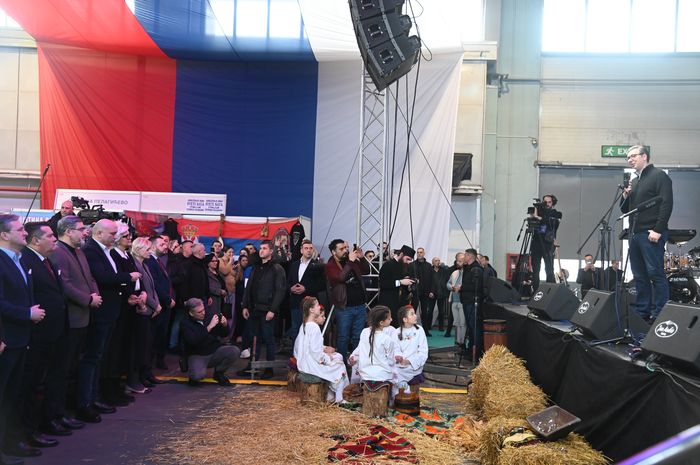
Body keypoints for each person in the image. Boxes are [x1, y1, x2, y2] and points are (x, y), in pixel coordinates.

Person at [79, 220, 140, 423]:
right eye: (112, 233)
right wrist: (127, 277)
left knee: (100, 357)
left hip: (111, 310)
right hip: (101, 312)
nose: (115, 237)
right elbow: (103, 277)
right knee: (93, 357)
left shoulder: (106, 251)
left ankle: (94, 397)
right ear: (99, 233)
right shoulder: (91, 250)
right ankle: (87, 400)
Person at [12, 223, 67, 452]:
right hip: (34, 333)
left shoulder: (46, 260)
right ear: (36, 241)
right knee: (29, 384)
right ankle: (25, 432)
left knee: (42, 381)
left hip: (51, 331)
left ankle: (40, 424)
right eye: (50, 236)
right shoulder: (26, 259)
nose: (55, 239)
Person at [0, 214, 45, 465]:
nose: (25, 233)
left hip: (20, 338)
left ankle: (8, 444)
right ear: (4, 235)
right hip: (6, 339)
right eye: (19, 230)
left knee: (11, 396)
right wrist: (26, 313)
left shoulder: (18, 259)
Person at [48, 215, 98, 434]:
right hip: (70, 319)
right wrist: (87, 299)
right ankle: (55, 414)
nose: (85, 232)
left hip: (83, 317)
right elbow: (65, 284)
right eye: (80, 228)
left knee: (71, 368)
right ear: (68, 231)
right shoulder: (59, 252)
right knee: (61, 370)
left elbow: (90, 278)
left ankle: (64, 412)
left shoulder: (79, 251)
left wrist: (94, 294)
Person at [621, 145, 673, 322]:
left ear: (644, 156)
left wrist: (658, 229)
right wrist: (626, 195)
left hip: (651, 233)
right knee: (639, 276)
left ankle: (660, 314)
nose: (630, 160)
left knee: (655, 273)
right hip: (635, 234)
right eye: (628, 157)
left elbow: (666, 203)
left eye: (633, 156)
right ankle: (643, 313)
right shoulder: (635, 181)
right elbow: (626, 210)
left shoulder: (659, 176)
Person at [239, 240, 286, 379]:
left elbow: (280, 290)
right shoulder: (256, 267)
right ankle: (252, 365)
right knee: (255, 338)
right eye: (260, 248)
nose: (261, 251)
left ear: (271, 251)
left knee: (269, 339)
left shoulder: (277, 268)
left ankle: (269, 368)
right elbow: (249, 287)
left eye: (265, 248)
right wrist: (245, 305)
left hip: (268, 310)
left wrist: (273, 310)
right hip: (254, 309)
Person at [293, 297, 348, 403]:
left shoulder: (304, 325)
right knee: (339, 365)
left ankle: (330, 396)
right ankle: (339, 398)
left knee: (335, 361)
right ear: (311, 310)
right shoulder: (314, 327)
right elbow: (315, 352)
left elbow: (304, 347)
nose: (319, 307)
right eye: (317, 305)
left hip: (304, 364)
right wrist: (327, 359)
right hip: (311, 366)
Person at [325, 239, 370, 362]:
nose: (345, 250)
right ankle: (341, 364)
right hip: (344, 308)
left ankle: (356, 364)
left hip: (360, 306)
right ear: (333, 252)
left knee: (358, 337)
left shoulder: (351, 261)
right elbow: (340, 277)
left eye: (345, 248)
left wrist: (362, 258)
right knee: (343, 337)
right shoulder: (330, 265)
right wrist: (350, 261)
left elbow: (366, 270)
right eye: (341, 249)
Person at [180, 298, 239, 386]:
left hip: (213, 351)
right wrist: (208, 328)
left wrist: (225, 325)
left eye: (203, 309)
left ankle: (219, 373)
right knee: (197, 376)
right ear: (191, 313)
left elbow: (224, 334)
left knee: (234, 351)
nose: (203, 313)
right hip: (197, 354)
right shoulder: (185, 323)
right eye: (199, 312)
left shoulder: (209, 316)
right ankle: (193, 372)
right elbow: (193, 341)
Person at [287, 239, 324, 342]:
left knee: (309, 330)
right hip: (295, 303)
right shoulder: (294, 265)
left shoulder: (318, 265)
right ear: (301, 250)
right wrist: (290, 288)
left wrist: (306, 288)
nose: (308, 250)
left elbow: (322, 285)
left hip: (310, 305)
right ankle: (296, 351)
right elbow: (288, 281)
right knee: (295, 329)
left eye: (311, 248)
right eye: (306, 248)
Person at [351, 306, 395, 385]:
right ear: (381, 323)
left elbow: (360, 349)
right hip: (382, 375)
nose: (391, 319)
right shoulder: (387, 338)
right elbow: (391, 361)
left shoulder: (364, 332)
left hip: (364, 373)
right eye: (389, 318)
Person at [529, 194, 562, 291]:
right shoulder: (538, 212)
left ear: (553, 203)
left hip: (548, 244)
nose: (547, 204)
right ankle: (535, 291)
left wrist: (538, 217)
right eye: (545, 202)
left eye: (549, 202)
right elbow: (531, 220)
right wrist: (536, 210)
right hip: (536, 243)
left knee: (549, 269)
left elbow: (552, 223)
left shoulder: (556, 214)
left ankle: (549, 291)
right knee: (535, 269)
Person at [378, 245, 416, 326]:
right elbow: (383, 283)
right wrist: (401, 282)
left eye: (410, 260)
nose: (408, 262)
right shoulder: (388, 265)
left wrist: (407, 281)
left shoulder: (402, 266)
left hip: (399, 304)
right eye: (407, 259)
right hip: (388, 304)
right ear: (401, 254)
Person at [392, 306, 428, 389]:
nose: (415, 316)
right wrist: (400, 358)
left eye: (415, 313)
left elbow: (423, 350)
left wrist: (410, 361)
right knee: (399, 393)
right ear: (405, 319)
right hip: (400, 368)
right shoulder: (396, 332)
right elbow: (395, 349)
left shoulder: (419, 330)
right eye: (412, 314)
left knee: (413, 393)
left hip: (414, 368)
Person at [460, 249, 484, 359]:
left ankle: (476, 353)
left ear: (470, 256)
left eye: (465, 255)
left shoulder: (476, 269)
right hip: (467, 301)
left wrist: (461, 288)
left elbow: (476, 287)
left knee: (474, 328)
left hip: (472, 302)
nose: (464, 257)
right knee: (470, 328)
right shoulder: (468, 268)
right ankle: (470, 350)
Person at [409, 247, 433, 336]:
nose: (419, 254)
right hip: (415, 292)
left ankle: (425, 331)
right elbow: (408, 276)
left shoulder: (429, 265)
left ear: (424, 253)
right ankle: (410, 329)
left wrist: (431, 291)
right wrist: (414, 280)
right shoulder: (412, 265)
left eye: (421, 252)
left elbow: (432, 279)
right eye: (418, 252)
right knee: (412, 311)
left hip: (425, 292)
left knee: (424, 312)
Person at [446, 252, 466, 347]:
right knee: (457, 323)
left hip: (462, 301)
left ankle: (462, 342)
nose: (458, 263)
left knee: (463, 323)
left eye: (460, 261)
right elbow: (448, 283)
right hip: (454, 300)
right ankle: (458, 342)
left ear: (464, 261)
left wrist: (460, 287)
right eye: (457, 261)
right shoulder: (454, 273)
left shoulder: (467, 273)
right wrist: (452, 287)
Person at [428, 257, 449, 331]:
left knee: (441, 311)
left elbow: (446, 280)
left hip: (441, 293)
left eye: (439, 260)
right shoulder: (429, 270)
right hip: (432, 293)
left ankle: (441, 327)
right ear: (433, 262)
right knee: (430, 311)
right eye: (436, 261)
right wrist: (429, 292)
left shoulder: (443, 270)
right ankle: (428, 326)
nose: (438, 262)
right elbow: (428, 282)